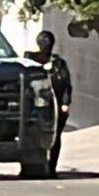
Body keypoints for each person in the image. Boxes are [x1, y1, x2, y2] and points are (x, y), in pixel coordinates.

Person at [26, 30, 73, 172]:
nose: (46, 44)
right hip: (36, 106)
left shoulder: (58, 63)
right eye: (43, 41)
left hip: (55, 105)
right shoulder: (30, 60)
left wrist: (65, 102)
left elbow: (66, 84)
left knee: (55, 136)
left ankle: (52, 167)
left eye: (48, 41)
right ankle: (33, 166)